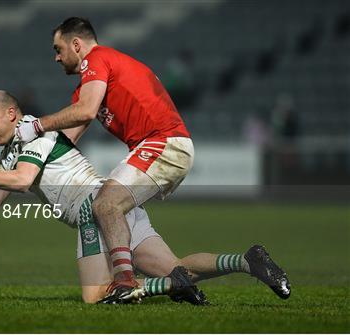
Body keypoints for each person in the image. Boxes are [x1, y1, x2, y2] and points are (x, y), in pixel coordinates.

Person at [0, 90, 291, 304]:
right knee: (177, 269)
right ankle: (247, 261)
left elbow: (22, 182)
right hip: (115, 206)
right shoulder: (13, 150)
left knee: (94, 297)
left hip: (93, 208)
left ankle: (163, 288)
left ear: (12, 114)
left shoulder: (33, 135)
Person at [14, 17, 290, 302]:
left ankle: (125, 282)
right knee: (173, 269)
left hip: (163, 142)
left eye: (58, 49)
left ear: (76, 44)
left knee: (105, 204)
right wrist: (19, 154)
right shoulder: (91, 81)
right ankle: (248, 261)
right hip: (164, 145)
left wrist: (36, 125)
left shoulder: (96, 59)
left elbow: (85, 111)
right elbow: (66, 138)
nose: (56, 57)